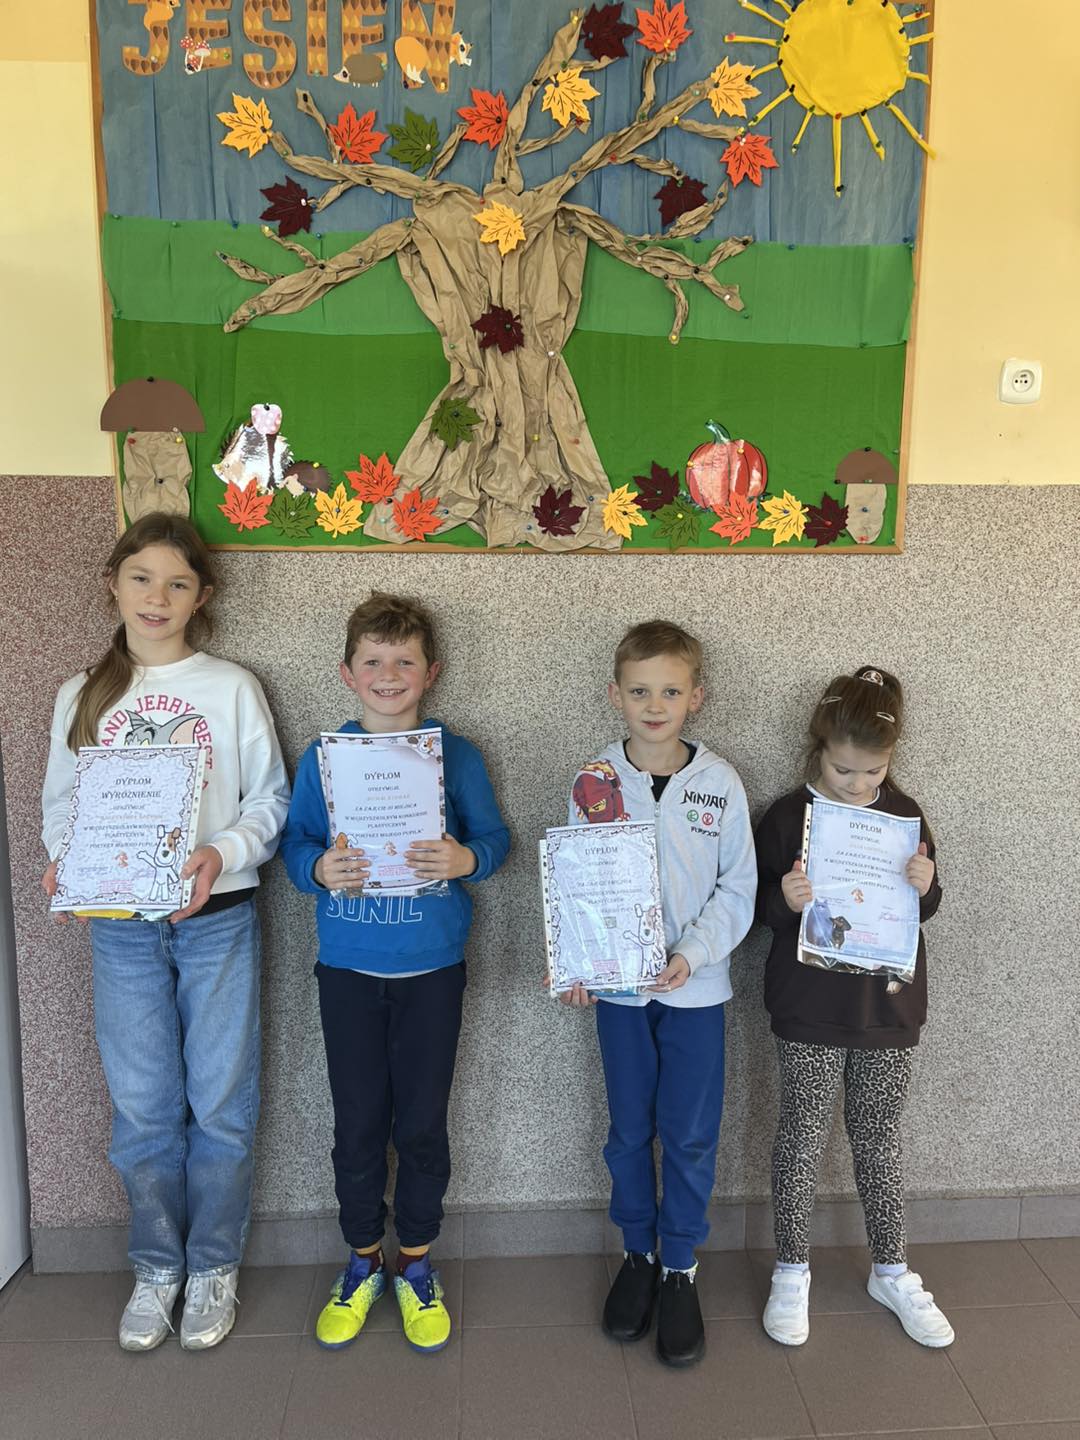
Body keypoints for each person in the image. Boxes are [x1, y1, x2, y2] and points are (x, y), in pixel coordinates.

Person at [40, 512, 290, 1353]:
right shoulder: (82, 694)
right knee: (143, 1109)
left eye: (177, 583)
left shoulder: (231, 687)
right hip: (120, 929)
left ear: (201, 597)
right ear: (112, 584)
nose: (158, 597)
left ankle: (213, 1263)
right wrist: (67, 863)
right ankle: (157, 1267)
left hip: (218, 921)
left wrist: (221, 854)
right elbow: (61, 806)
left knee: (221, 1105)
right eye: (141, 578)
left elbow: (270, 800)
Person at [281, 591, 509, 1355]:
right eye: (373, 661)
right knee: (356, 1125)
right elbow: (294, 845)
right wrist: (319, 868)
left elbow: (496, 839)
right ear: (347, 673)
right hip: (348, 968)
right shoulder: (323, 759)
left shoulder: (457, 756)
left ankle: (415, 1262)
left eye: (404, 661)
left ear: (430, 672)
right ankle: (361, 1261)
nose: (388, 675)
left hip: (433, 969)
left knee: (420, 1125)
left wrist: (466, 858)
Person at [561, 620, 756, 1367]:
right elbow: (579, 879)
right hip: (619, 996)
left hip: (696, 992)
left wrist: (692, 953)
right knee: (627, 1130)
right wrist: (581, 963)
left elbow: (739, 890)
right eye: (640, 691)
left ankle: (680, 1265)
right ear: (615, 695)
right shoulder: (594, 780)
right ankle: (637, 1253)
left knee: (690, 1134)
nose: (654, 705)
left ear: (695, 698)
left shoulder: (720, 783)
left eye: (670, 692)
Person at [754, 666, 953, 1349]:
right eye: (843, 769)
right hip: (810, 1003)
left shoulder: (905, 814)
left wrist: (926, 885)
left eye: (874, 771)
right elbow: (757, 910)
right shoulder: (787, 816)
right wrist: (786, 898)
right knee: (802, 1135)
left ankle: (891, 1269)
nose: (858, 783)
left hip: (887, 1007)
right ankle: (791, 1269)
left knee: (878, 1135)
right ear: (819, 747)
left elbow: (923, 907)